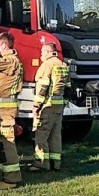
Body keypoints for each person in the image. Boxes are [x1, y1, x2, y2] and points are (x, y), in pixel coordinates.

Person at [0, 32, 24, 189]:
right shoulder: (6, 60)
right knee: (1, 142)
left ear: (2, 44)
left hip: (5, 111)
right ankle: (6, 176)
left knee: (7, 143)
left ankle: (12, 179)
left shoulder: (10, 61)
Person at [31, 42, 69, 171]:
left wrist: (36, 105)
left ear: (48, 51)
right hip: (59, 105)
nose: (41, 55)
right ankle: (55, 163)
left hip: (48, 105)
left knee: (41, 134)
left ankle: (41, 163)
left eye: (42, 52)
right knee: (55, 135)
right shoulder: (63, 65)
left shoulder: (47, 65)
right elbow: (68, 87)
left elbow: (43, 87)